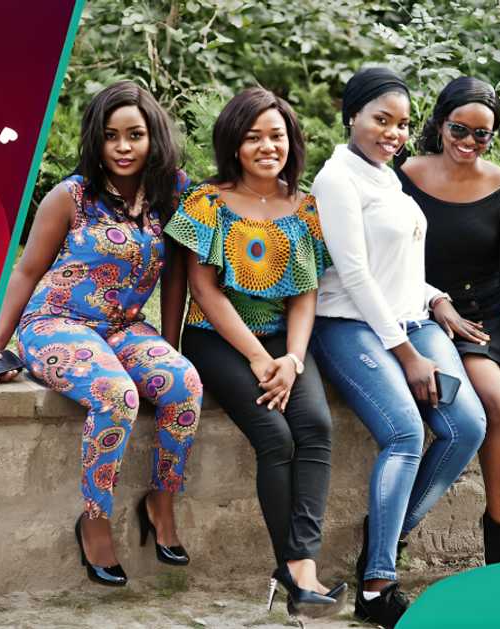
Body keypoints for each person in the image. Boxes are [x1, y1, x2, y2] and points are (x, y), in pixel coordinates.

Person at [0, 81, 202, 586]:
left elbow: (176, 276)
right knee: (116, 394)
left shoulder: (172, 193)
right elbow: (25, 271)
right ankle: (96, 518)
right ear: (96, 141)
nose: (123, 147)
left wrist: (169, 344)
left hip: (125, 327)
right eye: (110, 136)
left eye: (134, 135)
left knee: (184, 384)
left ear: (154, 138)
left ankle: (161, 499)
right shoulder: (72, 196)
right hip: (56, 323)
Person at [309, 66, 486, 629]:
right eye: (381, 119)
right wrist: (406, 355)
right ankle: (377, 584)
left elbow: (399, 267)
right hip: (348, 323)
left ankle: (386, 534)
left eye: (403, 124)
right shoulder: (337, 179)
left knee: (468, 427)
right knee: (406, 432)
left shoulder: (388, 178)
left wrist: (436, 300)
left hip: (413, 317)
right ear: (352, 115)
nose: (393, 133)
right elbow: (357, 276)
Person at [165, 87, 344, 617]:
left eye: (277, 136)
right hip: (216, 337)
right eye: (254, 138)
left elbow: (305, 292)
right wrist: (258, 359)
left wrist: (290, 358)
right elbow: (204, 290)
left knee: (316, 426)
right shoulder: (207, 202)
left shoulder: (305, 207)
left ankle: (302, 569)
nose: (268, 147)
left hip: (280, 340)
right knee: (275, 435)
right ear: (233, 145)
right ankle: (290, 568)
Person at [398, 76, 500, 563]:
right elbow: (397, 260)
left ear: (493, 136)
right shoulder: (407, 175)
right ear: (441, 124)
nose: (468, 142)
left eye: (481, 135)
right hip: (453, 316)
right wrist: (433, 303)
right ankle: (496, 523)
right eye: (459, 130)